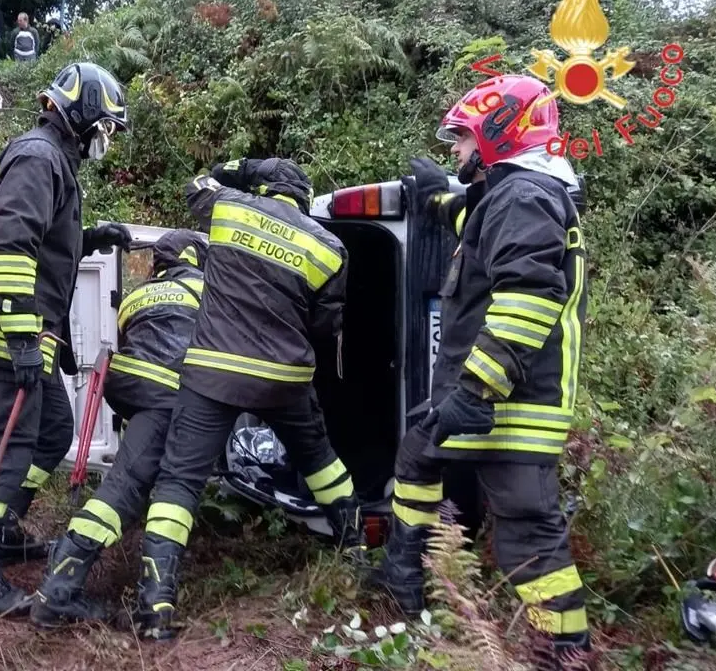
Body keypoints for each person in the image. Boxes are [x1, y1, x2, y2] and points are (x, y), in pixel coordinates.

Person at [370, 74, 591, 665]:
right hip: (484, 393)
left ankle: (562, 648)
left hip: (514, 399)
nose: (456, 151)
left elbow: (527, 298)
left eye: (463, 139)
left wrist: (474, 390)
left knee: (526, 529)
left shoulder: (526, 199)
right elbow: (474, 224)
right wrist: (434, 198)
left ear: (501, 132)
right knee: (418, 453)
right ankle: (406, 575)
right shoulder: (511, 196)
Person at [130, 158, 367, 640]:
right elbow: (325, 328)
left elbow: (195, 180)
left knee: (179, 482)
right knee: (321, 462)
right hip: (285, 377)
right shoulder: (330, 246)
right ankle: (358, 554)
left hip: (214, 374)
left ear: (262, 188)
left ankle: (155, 606)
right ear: (304, 199)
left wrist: (238, 170)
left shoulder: (228, 207)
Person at [0, 61, 131, 616]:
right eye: (106, 127)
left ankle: (5, 526)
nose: (106, 140)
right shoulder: (38, 157)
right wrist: (23, 337)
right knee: (3, 446)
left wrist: (91, 237)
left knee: (52, 432)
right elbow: (12, 245)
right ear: (85, 117)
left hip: (25, 332)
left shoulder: (51, 161)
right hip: (7, 331)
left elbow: (42, 238)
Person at [30, 229, 207, 627]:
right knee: (142, 488)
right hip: (170, 392)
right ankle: (145, 608)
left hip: (129, 389)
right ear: (194, 258)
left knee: (131, 477)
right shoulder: (204, 286)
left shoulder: (137, 295)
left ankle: (60, 590)